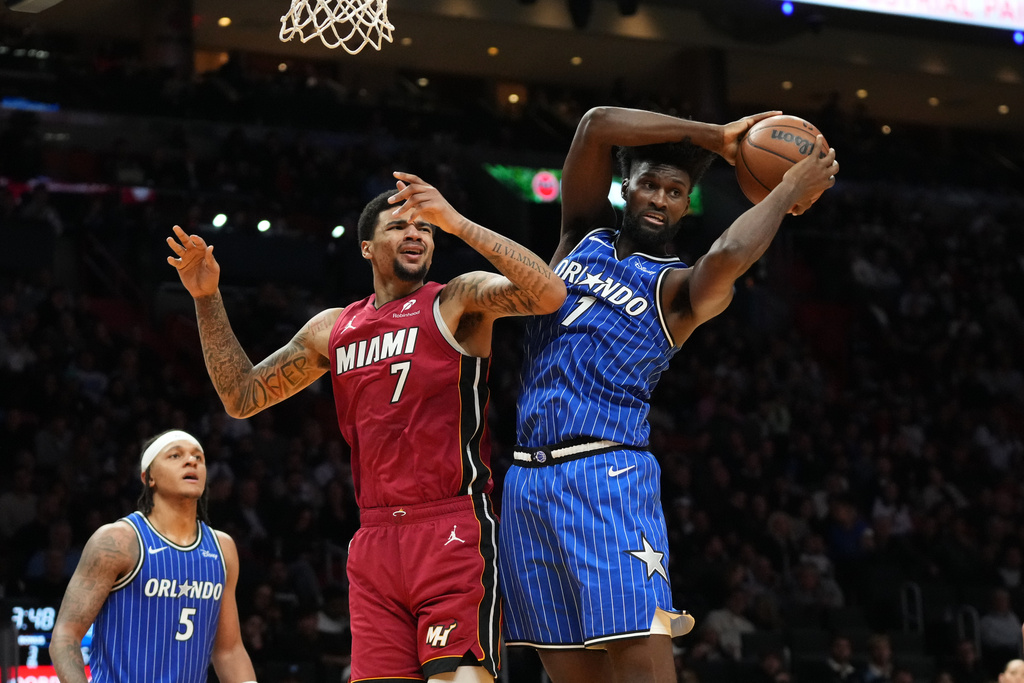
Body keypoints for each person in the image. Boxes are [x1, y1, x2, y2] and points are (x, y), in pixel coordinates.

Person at [166, 172, 566, 683]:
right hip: (375, 539)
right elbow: (241, 397)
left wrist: (459, 223)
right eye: (399, 226)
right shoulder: (332, 328)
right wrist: (206, 298)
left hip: (450, 527)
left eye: (424, 227)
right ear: (366, 248)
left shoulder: (456, 301)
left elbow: (549, 294)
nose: (417, 234)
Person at [498, 106, 838, 682]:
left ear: (685, 206)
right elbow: (596, 125)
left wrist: (782, 191)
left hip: (607, 478)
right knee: (568, 676)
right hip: (526, 484)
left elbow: (730, 256)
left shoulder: (678, 288)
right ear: (625, 189)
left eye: (675, 191)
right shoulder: (580, 237)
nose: (659, 198)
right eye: (649, 184)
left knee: (642, 666)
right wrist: (718, 139)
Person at [49, 430, 256, 683]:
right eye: (175, 455)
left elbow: (228, 651)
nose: (191, 461)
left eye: (198, 458)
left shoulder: (223, 548)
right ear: (149, 477)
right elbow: (65, 634)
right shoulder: (118, 541)